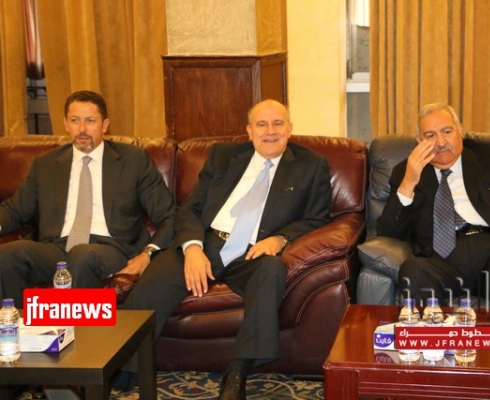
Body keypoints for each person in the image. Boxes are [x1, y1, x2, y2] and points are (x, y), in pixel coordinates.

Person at [121, 99, 332, 399]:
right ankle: (120, 373)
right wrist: (192, 249)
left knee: (271, 270)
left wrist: (281, 238)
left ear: (289, 129)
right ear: (249, 131)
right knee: (151, 287)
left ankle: (237, 372)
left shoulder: (311, 166)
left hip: (252, 252)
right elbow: (190, 210)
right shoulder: (223, 156)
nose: (270, 131)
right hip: (207, 241)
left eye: (278, 123)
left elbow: (317, 218)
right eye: (261, 124)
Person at [0, 90, 176, 308]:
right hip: (57, 249)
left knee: (82, 255)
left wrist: (148, 254)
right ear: (65, 124)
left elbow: (169, 216)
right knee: (8, 255)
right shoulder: (45, 164)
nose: (82, 129)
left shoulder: (133, 160)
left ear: (105, 125)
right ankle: (17, 327)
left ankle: (77, 329)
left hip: (111, 248)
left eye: (90, 121)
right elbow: (15, 210)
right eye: (75, 120)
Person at [377, 103, 490, 310]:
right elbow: (388, 232)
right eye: (430, 136)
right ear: (419, 141)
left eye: (447, 131)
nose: (440, 142)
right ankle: (435, 331)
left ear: (461, 130)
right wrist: (409, 182)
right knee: (412, 269)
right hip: (442, 262)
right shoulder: (405, 172)